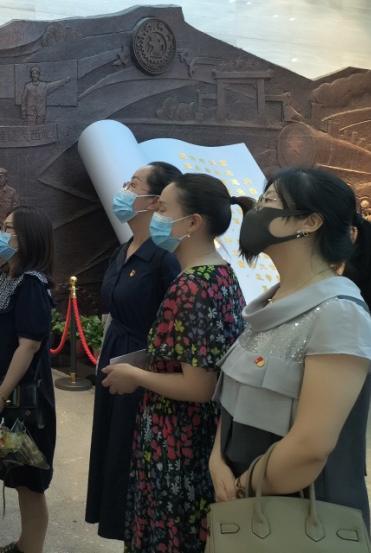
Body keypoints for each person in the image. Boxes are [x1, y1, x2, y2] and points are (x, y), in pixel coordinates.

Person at [209, 167, 371, 537]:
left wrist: (241, 488)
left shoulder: (338, 313)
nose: (254, 211)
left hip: (299, 516)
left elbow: (310, 446)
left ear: (310, 222)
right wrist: (217, 462)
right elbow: (235, 401)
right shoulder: (271, 304)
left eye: (268, 202)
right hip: (247, 506)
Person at [102, 173, 252, 553]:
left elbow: (199, 386)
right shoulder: (219, 273)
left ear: (192, 223)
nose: (156, 216)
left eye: (164, 209)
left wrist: (135, 375)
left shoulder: (192, 287)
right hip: (197, 436)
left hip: (176, 442)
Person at [85, 161, 182, 541]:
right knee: (112, 450)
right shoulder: (124, 249)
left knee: (131, 455)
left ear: (156, 200)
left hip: (144, 371)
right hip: (116, 358)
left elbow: (175, 326)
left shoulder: (164, 257)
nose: (124, 190)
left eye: (133, 184)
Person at [0, 205, 56, 553]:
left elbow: (29, 345)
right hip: (5, 391)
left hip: (23, 398)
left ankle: (31, 549)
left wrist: (3, 394)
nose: (1, 234)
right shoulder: (6, 276)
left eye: (9, 229)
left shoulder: (32, 284)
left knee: (30, 480)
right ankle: (25, 545)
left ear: (28, 238)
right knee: (19, 475)